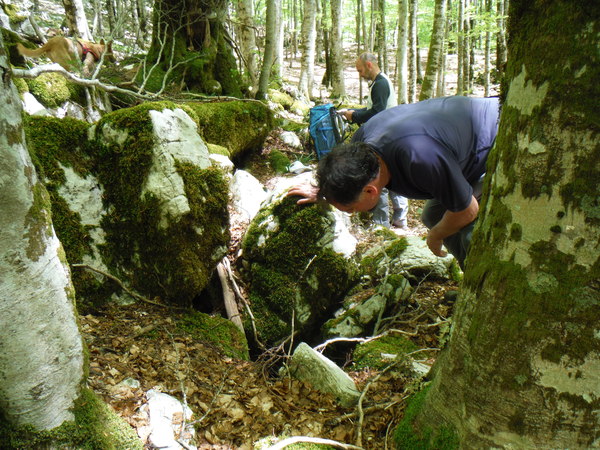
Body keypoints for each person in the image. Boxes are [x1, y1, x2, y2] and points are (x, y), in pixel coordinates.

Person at [288, 95, 500, 269]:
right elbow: (344, 170)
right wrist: (325, 191)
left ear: (371, 191)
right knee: (433, 215)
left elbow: (468, 210)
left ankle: (484, 292)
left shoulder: (419, 159)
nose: (352, 213)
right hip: (456, 148)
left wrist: (436, 236)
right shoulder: (361, 146)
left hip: (493, 138)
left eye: (351, 208)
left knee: (469, 235)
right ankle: (471, 279)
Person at [339, 52, 409, 230]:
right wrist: (353, 111)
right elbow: (373, 108)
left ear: (369, 65)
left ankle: (381, 223)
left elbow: (377, 112)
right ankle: (399, 219)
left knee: (380, 177)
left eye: (360, 70)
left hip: (385, 137)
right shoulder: (379, 82)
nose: (360, 74)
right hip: (389, 134)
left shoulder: (380, 84)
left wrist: (354, 116)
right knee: (394, 176)